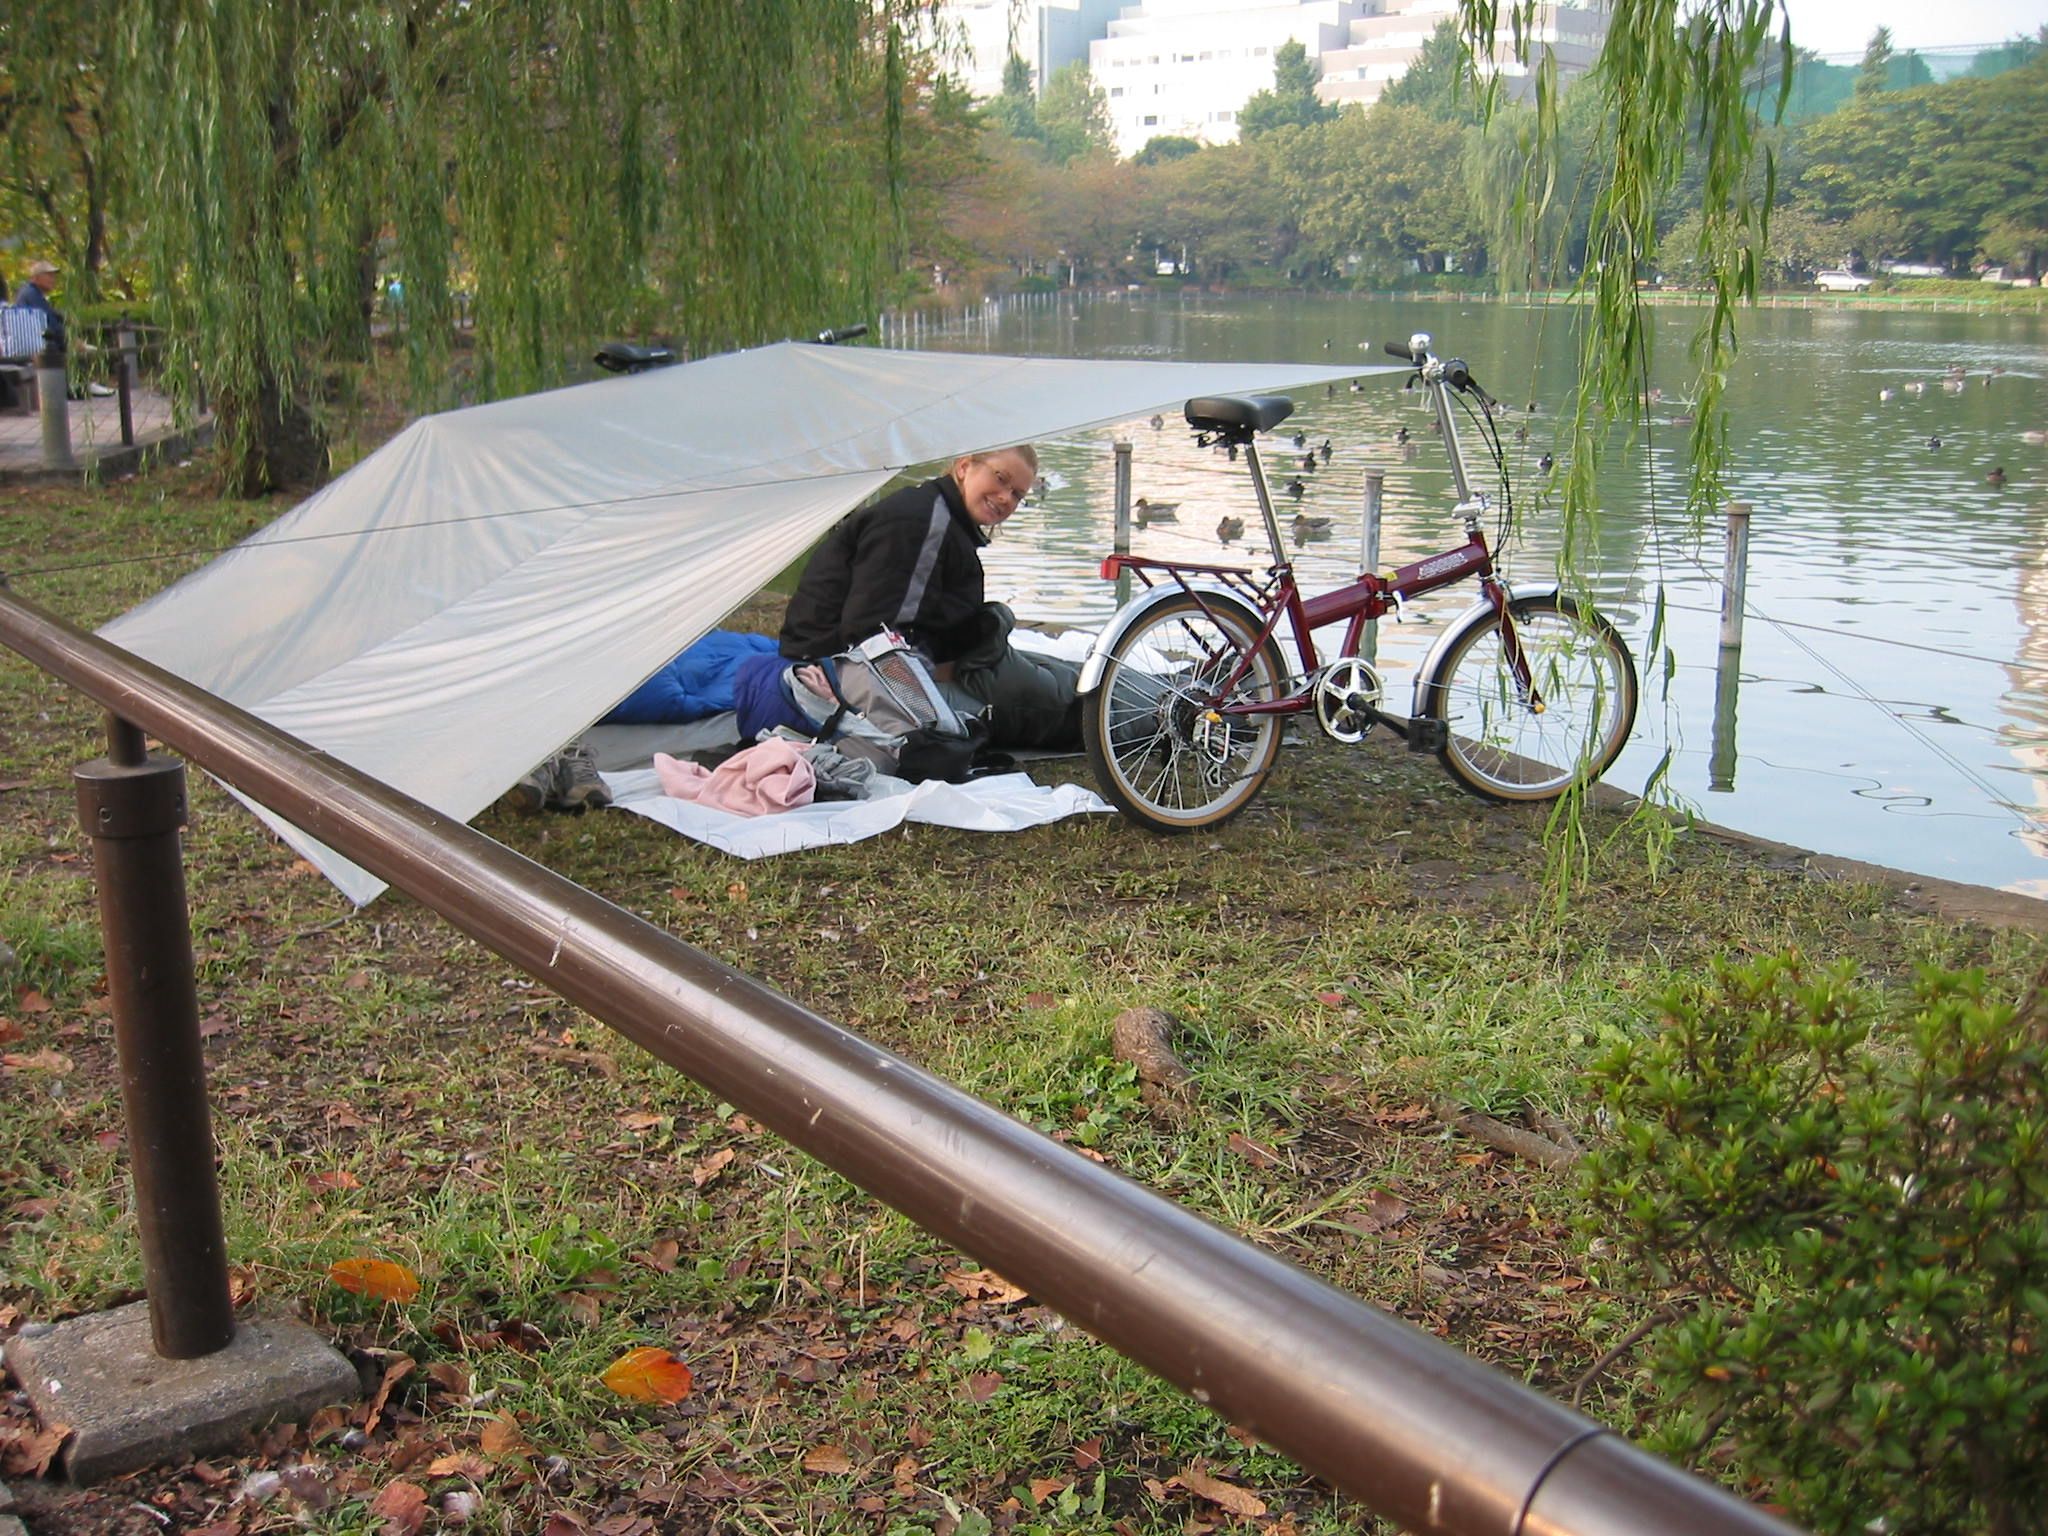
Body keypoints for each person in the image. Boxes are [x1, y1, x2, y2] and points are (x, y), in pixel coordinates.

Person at [778, 445, 1081, 751]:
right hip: (850, 681)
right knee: (1059, 713)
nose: (1006, 498)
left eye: (1017, 494)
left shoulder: (945, 519)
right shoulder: (921, 523)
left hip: (900, 666)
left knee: (1076, 679)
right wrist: (946, 671)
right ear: (964, 467)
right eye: (1001, 479)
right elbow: (879, 639)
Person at [10, 260, 111, 398]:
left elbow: (52, 315)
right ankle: (79, 385)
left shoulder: (32, 293)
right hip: (41, 344)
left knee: (83, 348)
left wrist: (65, 319)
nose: (53, 279)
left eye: (53, 276)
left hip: (39, 341)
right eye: (48, 275)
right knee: (80, 350)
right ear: (35, 277)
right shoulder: (32, 295)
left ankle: (84, 383)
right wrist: (71, 340)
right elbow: (49, 323)